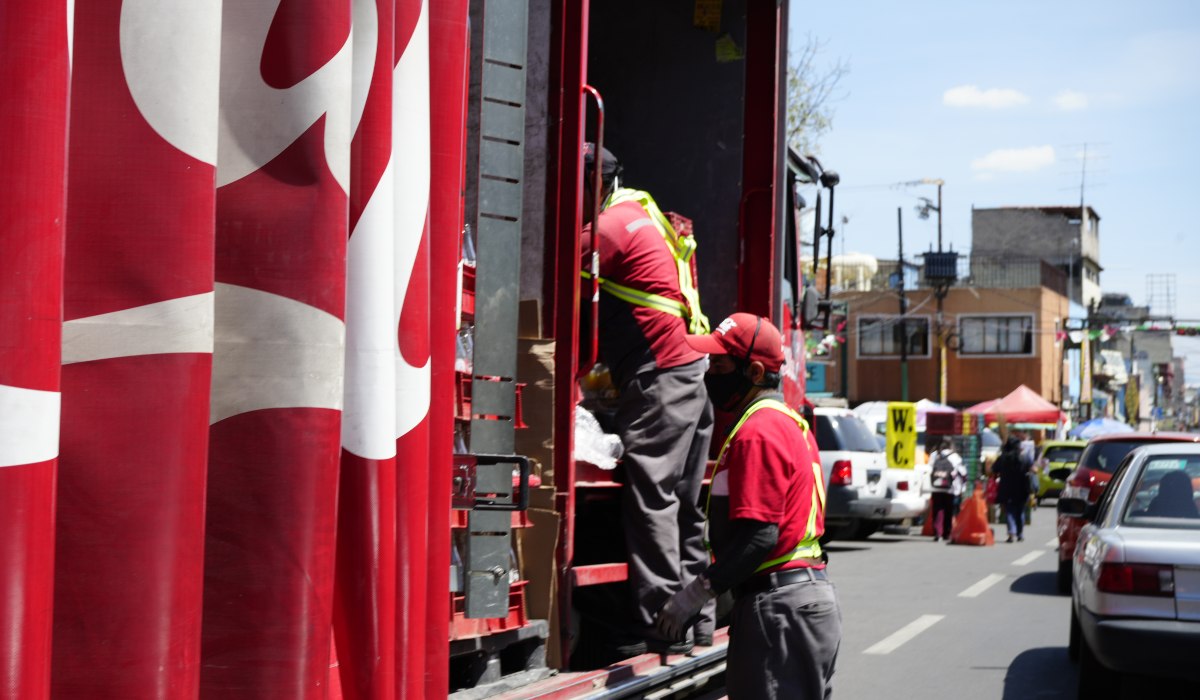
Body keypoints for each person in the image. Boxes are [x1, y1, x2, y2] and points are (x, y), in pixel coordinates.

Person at [654, 313, 842, 699]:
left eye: (719, 365)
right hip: (798, 603)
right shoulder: (787, 422)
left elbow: (759, 537)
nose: (709, 372)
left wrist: (696, 595)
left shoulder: (758, 431)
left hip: (780, 611)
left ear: (754, 372)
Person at [579, 144, 714, 654]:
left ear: (593, 183)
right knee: (683, 505)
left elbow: (551, 279)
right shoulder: (644, 213)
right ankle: (696, 622)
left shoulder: (608, 229)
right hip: (690, 373)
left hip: (662, 378)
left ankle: (664, 625)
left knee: (653, 499)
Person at [992, 436, 1031, 542]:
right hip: (1023, 488)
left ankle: (1011, 533)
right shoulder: (1024, 457)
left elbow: (994, 469)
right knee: (1020, 511)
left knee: (1009, 511)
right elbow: (1032, 468)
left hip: (1007, 487)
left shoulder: (1003, 457)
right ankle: (1020, 534)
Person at [926, 438, 966, 542]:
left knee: (937, 509)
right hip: (950, 487)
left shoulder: (934, 455)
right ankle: (946, 533)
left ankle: (937, 532)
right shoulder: (955, 456)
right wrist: (962, 487)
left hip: (936, 486)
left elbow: (929, 469)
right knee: (948, 509)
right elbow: (962, 472)